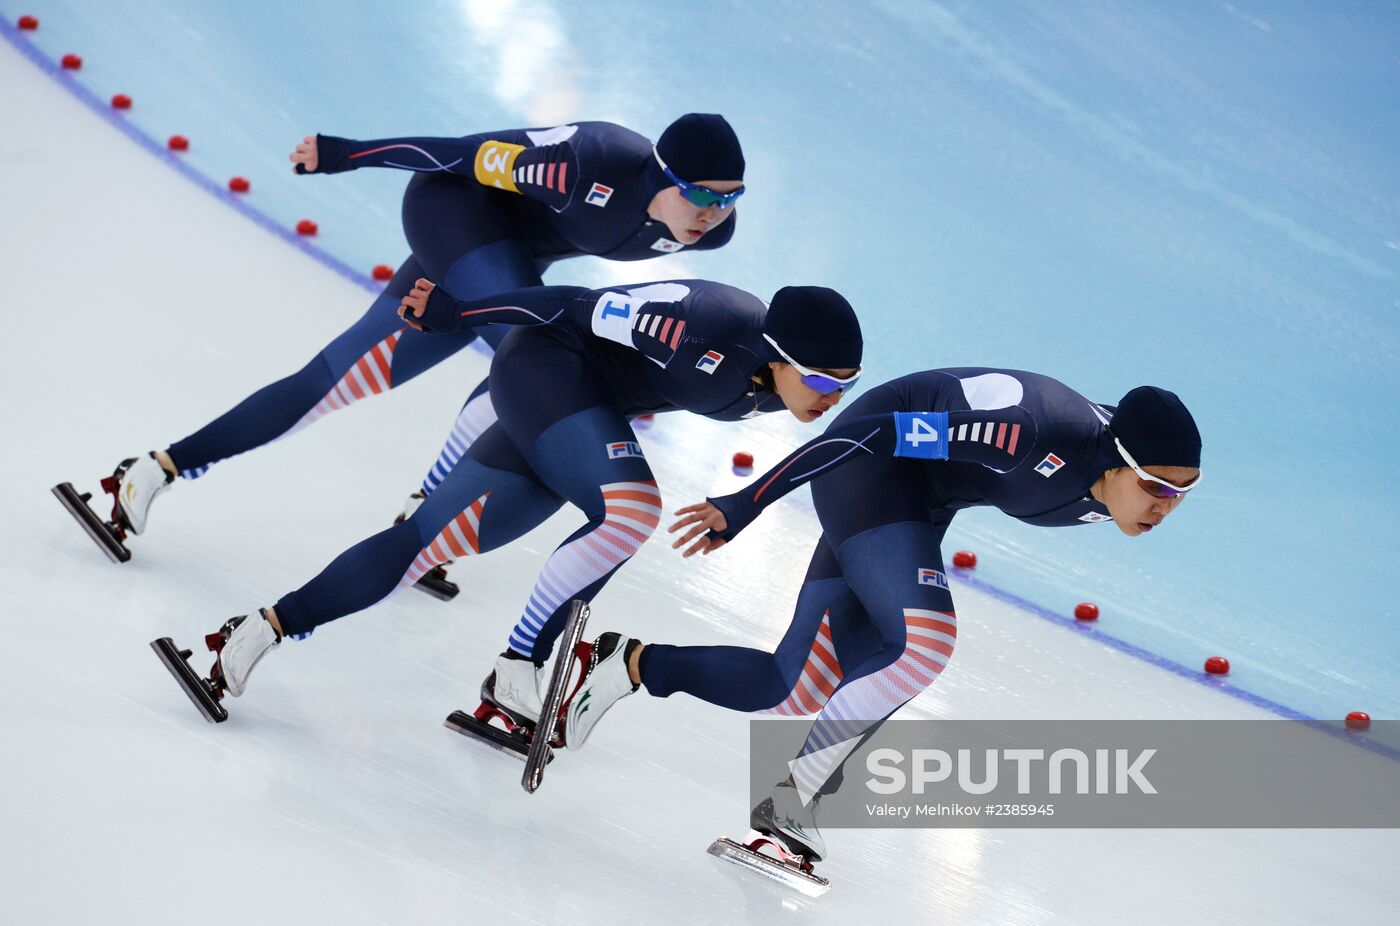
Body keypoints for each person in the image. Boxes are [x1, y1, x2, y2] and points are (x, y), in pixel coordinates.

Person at [152, 278, 865, 751]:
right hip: (544, 370)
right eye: (822, 380)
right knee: (630, 510)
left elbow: (839, 432)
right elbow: (565, 302)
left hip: (583, 404)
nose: (830, 396)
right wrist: (459, 312)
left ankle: (245, 635)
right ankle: (520, 665)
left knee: (421, 545)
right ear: (774, 355)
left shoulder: (781, 386)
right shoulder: (699, 330)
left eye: (846, 385)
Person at [55, 114, 747, 582]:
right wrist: (345, 154)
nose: (715, 214)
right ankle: (153, 474)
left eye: (731, 198)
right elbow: (453, 153)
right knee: (541, 363)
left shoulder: (708, 227)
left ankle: (147, 472)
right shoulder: (579, 165)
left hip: (505, 259)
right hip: (453, 212)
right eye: (701, 195)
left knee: (339, 376)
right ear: (659, 176)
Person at [561, 369, 1203, 868]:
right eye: (1155, 489)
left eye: (1182, 494)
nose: (1166, 508)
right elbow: (866, 435)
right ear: (1116, 459)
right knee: (923, 643)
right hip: (868, 466)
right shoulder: (1028, 433)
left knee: (794, 687)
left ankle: (628, 663)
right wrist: (747, 500)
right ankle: (792, 806)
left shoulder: (1120, 483)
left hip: (922, 497)